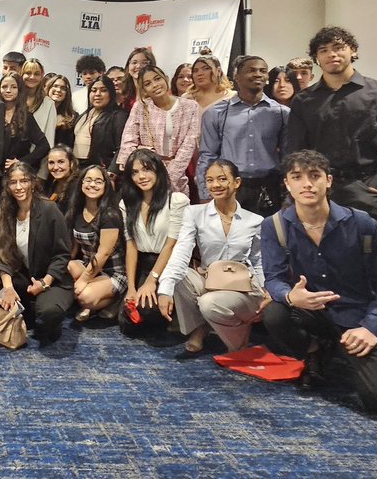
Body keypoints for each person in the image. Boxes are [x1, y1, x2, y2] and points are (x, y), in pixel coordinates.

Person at [261, 150, 377, 418]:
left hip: (357, 318)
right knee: (275, 313)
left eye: (314, 176)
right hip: (309, 312)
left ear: (328, 181)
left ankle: (340, 348)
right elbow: (274, 279)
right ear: (287, 184)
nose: (307, 184)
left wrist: (371, 327)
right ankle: (316, 348)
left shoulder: (362, 224)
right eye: (297, 177)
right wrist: (291, 297)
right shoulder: (275, 226)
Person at [286, 26, 377, 226]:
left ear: (353, 50)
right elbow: (294, 148)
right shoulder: (304, 100)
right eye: (323, 50)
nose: (331, 54)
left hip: (364, 187)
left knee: (369, 253)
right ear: (317, 58)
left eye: (338, 47)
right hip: (316, 188)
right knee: (314, 252)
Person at [158, 160, 267, 357]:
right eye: (209, 180)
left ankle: (237, 341)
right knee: (177, 277)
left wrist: (265, 290)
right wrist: (164, 289)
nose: (215, 185)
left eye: (222, 179)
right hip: (208, 278)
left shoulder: (255, 221)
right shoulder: (194, 213)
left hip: (241, 285)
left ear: (237, 182)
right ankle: (201, 327)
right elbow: (182, 251)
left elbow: (258, 261)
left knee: (209, 303)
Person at [0, 162, 74, 345]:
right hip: (24, 276)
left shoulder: (49, 209)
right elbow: (3, 252)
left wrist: (44, 282)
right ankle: (25, 312)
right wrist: (8, 288)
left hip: (51, 278)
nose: (18, 187)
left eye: (24, 181)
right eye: (13, 182)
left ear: (33, 183)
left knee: (49, 316)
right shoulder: (5, 210)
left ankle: (37, 313)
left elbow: (62, 255)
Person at [197, 55, 289, 217]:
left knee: (268, 239)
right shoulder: (216, 113)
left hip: (269, 188)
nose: (258, 74)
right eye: (251, 70)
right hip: (230, 188)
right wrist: (205, 194)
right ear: (237, 77)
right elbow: (208, 155)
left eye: (263, 71)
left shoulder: (281, 113)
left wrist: (289, 194)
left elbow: (288, 156)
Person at [118, 150, 189, 336]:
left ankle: (177, 314)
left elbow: (171, 245)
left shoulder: (177, 201)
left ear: (158, 170)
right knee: (128, 323)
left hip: (168, 266)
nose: (141, 176)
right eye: (134, 172)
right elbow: (131, 245)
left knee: (148, 314)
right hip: (142, 264)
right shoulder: (127, 204)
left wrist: (152, 280)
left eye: (146, 169)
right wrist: (132, 288)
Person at [117, 65, 199, 195]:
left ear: (166, 79)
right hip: (144, 177)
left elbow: (188, 146)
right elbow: (128, 141)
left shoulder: (190, 106)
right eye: (148, 83)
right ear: (143, 89)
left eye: (157, 79)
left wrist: (165, 178)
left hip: (176, 179)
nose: (155, 85)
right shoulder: (141, 107)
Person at [67, 165, 127, 322]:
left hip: (113, 271)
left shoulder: (110, 214)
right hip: (89, 265)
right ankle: (92, 298)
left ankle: (115, 300)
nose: (92, 185)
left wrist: (84, 280)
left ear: (106, 186)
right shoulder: (77, 210)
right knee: (67, 270)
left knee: (84, 296)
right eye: (88, 180)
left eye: (98, 181)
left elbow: (103, 253)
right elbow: (74, 247)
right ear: (81, 184)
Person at [71, 76, 127, 173]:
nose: (97, 94)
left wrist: (112, 173)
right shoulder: (83, 114)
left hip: (101, 170)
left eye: (103, 90)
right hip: (77, 168)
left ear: (111, 94)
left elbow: (122, 148)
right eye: (93, 90)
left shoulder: (118, 115)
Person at [0, 72, 50, 176]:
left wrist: (21, 162)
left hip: (19, 174)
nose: (8, 90)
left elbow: (44, 146)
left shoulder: (26, 116)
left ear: (19, 90)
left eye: (13, 87)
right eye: (4, 87)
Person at [20, 58, 57, 145]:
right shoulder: (13, 100)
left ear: (41, 76)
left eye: (36, 74)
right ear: (21, 74)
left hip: (37, 156)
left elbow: (49, 138)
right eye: (28, 73)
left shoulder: (49, 104)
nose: (32, 77)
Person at [187, 49, 234, 114]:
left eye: (206, 69)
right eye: (195, 71)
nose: (200, 73)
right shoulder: (187, 98)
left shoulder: (231, 97)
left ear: (218, 71)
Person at [42, 145, 79, 214]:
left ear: (71, 164)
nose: (55, 167)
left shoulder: (77, 187)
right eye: (51, 163)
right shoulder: (51, 183)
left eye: (61, 162)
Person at [45, 74, 77, 147]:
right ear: (48, 88)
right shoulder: (38, 111)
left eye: (63, 88)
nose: (58, 90)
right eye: (55, 86)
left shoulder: (72, 117)